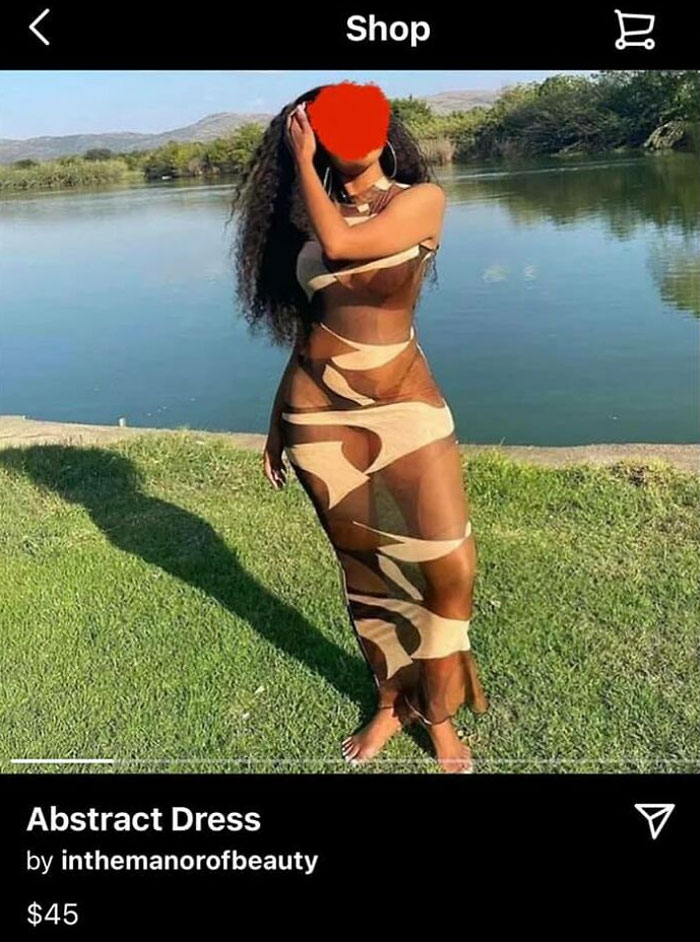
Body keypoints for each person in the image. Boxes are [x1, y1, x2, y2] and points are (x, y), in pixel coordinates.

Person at [230, 81, 489, 773]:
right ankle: (392, 703)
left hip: (407, 408)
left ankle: (438, 712)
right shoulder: (312, 223)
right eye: (329, 126)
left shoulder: (419, 201)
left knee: (451, 568)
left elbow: (345, 247)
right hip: (317, 415)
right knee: (368, 574)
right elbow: (309, 330)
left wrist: (302, 157)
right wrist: (276, 423)